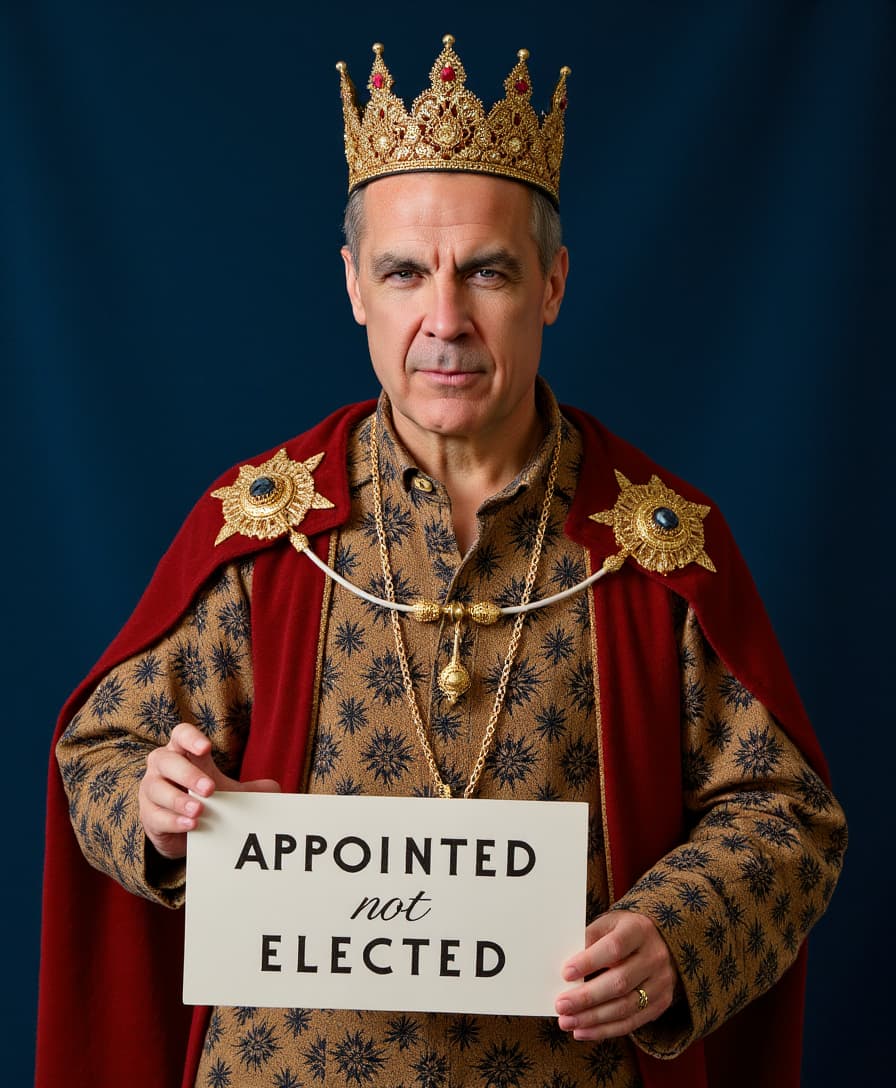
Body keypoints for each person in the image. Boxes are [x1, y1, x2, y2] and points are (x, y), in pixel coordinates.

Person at [37, 34, 846, 1088]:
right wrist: (152, 805)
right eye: (405, 272)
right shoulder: (265, 531)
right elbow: (97, 751)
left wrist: (676, 929)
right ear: (353, 287)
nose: (444, 319)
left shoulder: (658, 546)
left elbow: (786, 816)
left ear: (550, 284)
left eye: (488, 272)